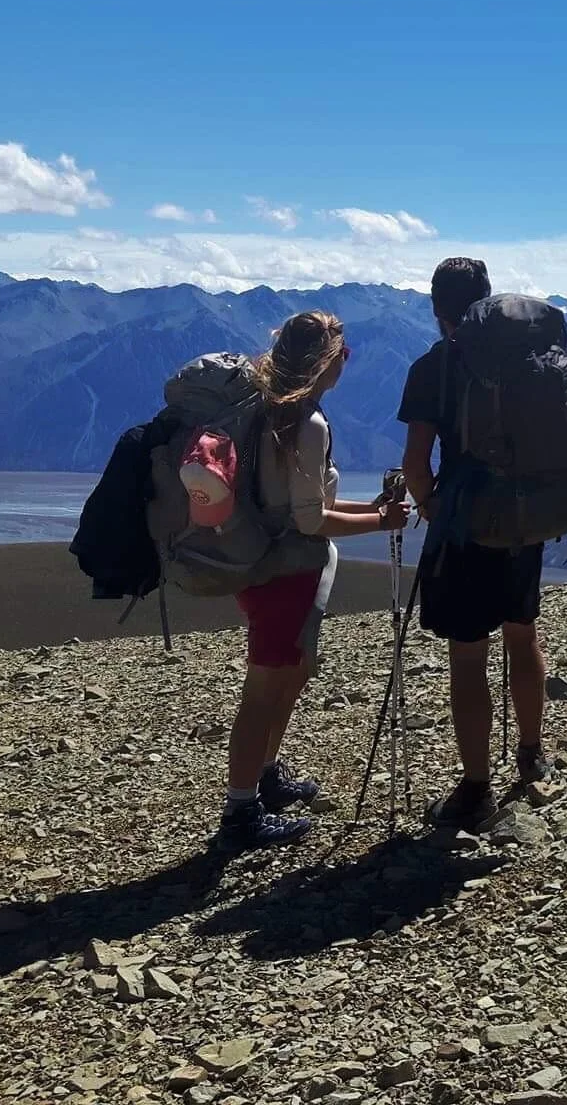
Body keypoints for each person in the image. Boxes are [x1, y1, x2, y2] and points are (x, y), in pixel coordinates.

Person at [220, 310, 409, 850]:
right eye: (344, 355)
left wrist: (370, 508)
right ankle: (240, 812)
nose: (347, 365)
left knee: (291, 672)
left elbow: (308, 503)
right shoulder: (308, 423)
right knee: (264, 689)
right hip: (287, 573)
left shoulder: (266, 410)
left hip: (263, 563)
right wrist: (382, 521)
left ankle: (264, 777)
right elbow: (310, 519)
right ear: (327, 359)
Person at [400, 258, 559, 830]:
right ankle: (533, 754)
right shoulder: (533, 359)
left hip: (465, 525)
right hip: (527, 518)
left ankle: (475, 787)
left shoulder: (434, 367)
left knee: (468, 654)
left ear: (438, 308)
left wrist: (431, 507)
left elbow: (416, 464)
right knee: (522, 633)